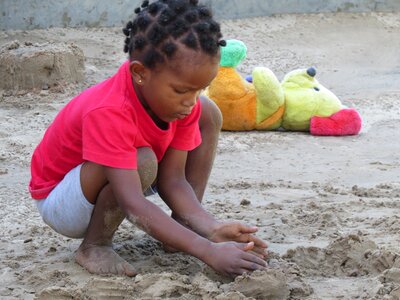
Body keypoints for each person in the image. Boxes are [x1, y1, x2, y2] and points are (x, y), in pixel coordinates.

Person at [29, 0, 268, 278]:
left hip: (123, 177)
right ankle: (95, 244)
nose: (189, 101)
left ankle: (182, 226)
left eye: (199, 89)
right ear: (140, 73)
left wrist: (210, 228)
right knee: (142, 159)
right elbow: (132, 203)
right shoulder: (110, 110)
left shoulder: (183, 103)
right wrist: (206, 250)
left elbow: (173, 180)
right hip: (63, 201)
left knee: (208, 112)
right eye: (181, 90)